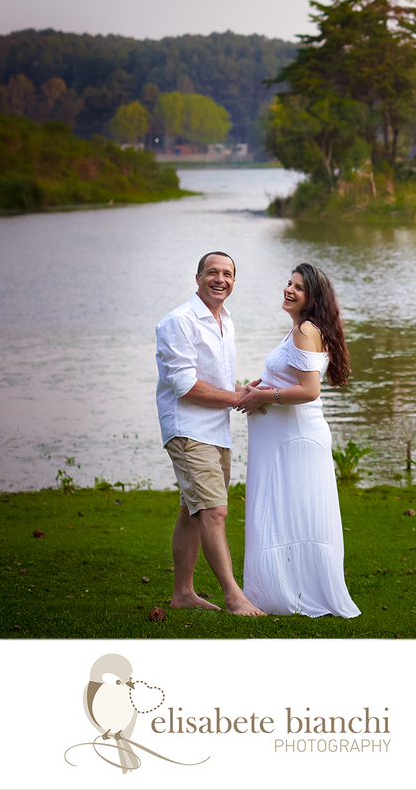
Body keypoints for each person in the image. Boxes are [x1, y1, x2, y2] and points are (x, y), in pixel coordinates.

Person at [235, 263, 361, 619]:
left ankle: (293, 592)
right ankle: (280, 588)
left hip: (295, 438)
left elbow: (309, 390)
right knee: (281, 512)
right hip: (281, 439)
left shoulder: (306, 330)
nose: (289, 290)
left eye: (298, 288)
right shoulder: (297, 330)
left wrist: (266, 397)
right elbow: (285, 377)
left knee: (289, 514)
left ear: (312, 298)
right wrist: (257, 388)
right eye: (288, 283)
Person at [155, 251, 264, 616]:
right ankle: (234, 597)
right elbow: (185, 386)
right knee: (214, 511)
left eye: (228, 274)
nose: (221, 279)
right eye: (213, 272)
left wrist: (244, 390)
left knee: (193, 510)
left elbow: (213, 378)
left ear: (234, 281)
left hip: (217, 430)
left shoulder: (226, 320)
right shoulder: (179, 321)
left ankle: (183, 594)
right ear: (197, 276)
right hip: (188, 429)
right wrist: (236, 398)